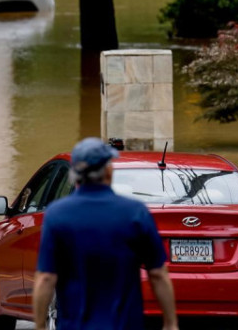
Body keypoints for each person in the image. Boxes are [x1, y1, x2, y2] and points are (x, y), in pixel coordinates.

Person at [32, 138, 178, 330]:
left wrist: (40, 326)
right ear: (108, 171)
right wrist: (170, 323)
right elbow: (158, 274)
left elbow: (46, 278)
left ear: (75, 174)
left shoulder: (57, 215)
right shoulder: (134, 213)